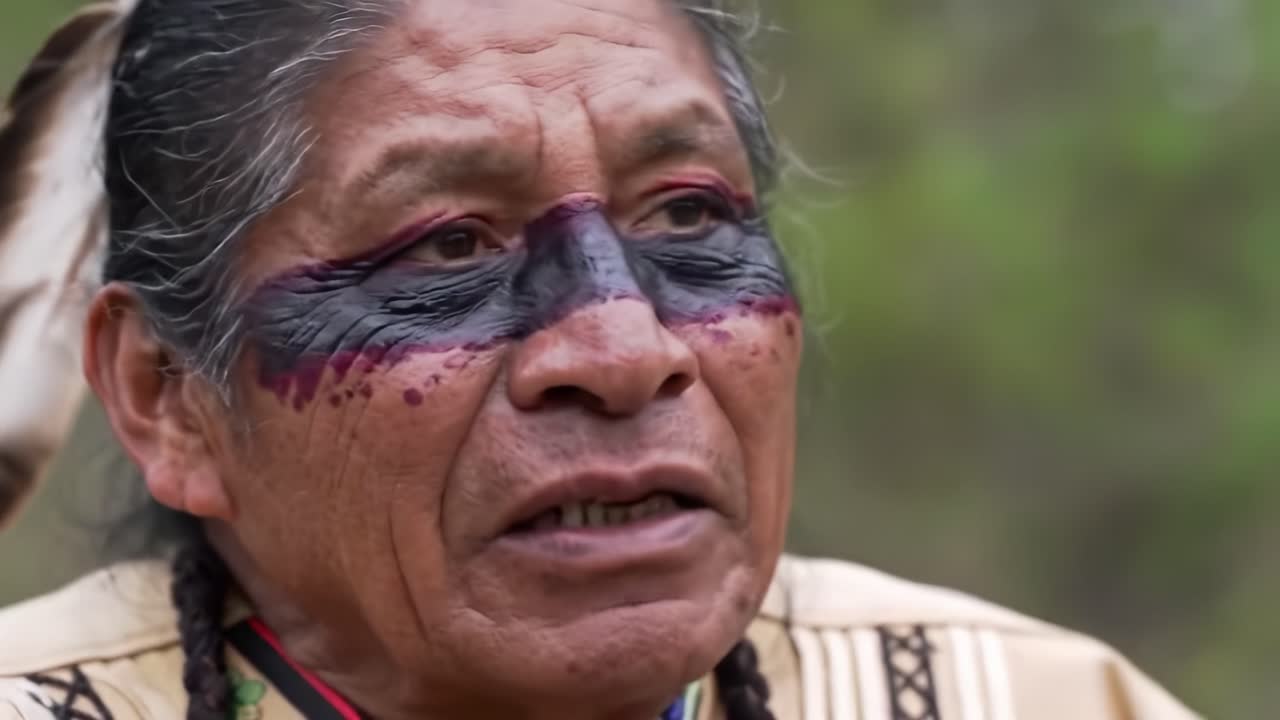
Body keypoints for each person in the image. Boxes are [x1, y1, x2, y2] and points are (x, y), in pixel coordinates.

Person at [0, 1, 1202, 719]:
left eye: (685, 216)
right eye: (448, 245)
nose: (625, 350)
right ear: (169, 401)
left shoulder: (1020, 698)